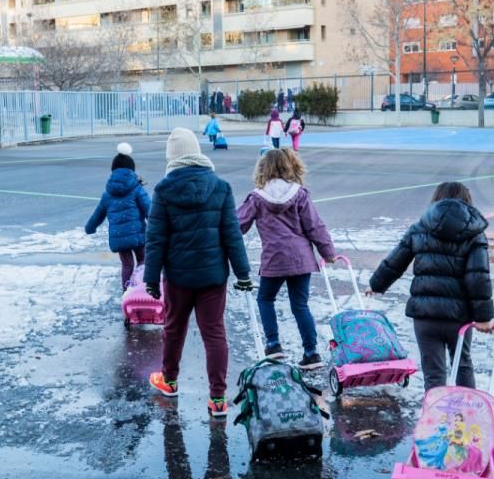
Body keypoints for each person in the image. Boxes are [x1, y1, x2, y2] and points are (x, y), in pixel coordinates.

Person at [144, 128, 254, 419]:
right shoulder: (220, 187)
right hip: (213, 276)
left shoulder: (164, 190)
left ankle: (169, 381)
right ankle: (217, 398)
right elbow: (232, 234)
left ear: (173, 157)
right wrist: (243, 273)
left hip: (178, 277)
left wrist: (151, 279)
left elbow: (156, 238)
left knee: (173, 329)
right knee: (214, 333)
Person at [367, 181, 494, 389]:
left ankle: (436, 420)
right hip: (458, 317)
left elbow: (397, 258)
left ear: (436, 199)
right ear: (468, 202)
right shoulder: (474, 233)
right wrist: (483, 317)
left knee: (433, 374)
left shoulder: (420, 227)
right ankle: (467, 418)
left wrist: (377, 284)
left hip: (425, 315)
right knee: (462, 367)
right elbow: (478, 277)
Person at [237, 149, 336, 370]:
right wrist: (328, 252)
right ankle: (311, 353)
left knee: (266, 298)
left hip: (274, 258)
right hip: (301, 258)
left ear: (263, 168)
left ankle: (273, 345)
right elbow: (315, 225)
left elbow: (238, 225)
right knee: (300, 304)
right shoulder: (300, 194)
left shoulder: (257, 198)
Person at [85, 143, 152, 290]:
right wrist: (158, 224)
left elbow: (98, 214)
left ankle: (126, 292)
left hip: (118, 237)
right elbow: (149, 209)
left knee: (127, 264)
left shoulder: (107, 194)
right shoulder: (137, 189)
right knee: (143, 260)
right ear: (132, 170)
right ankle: (141, 289)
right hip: (138, 236)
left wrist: (90, 228)